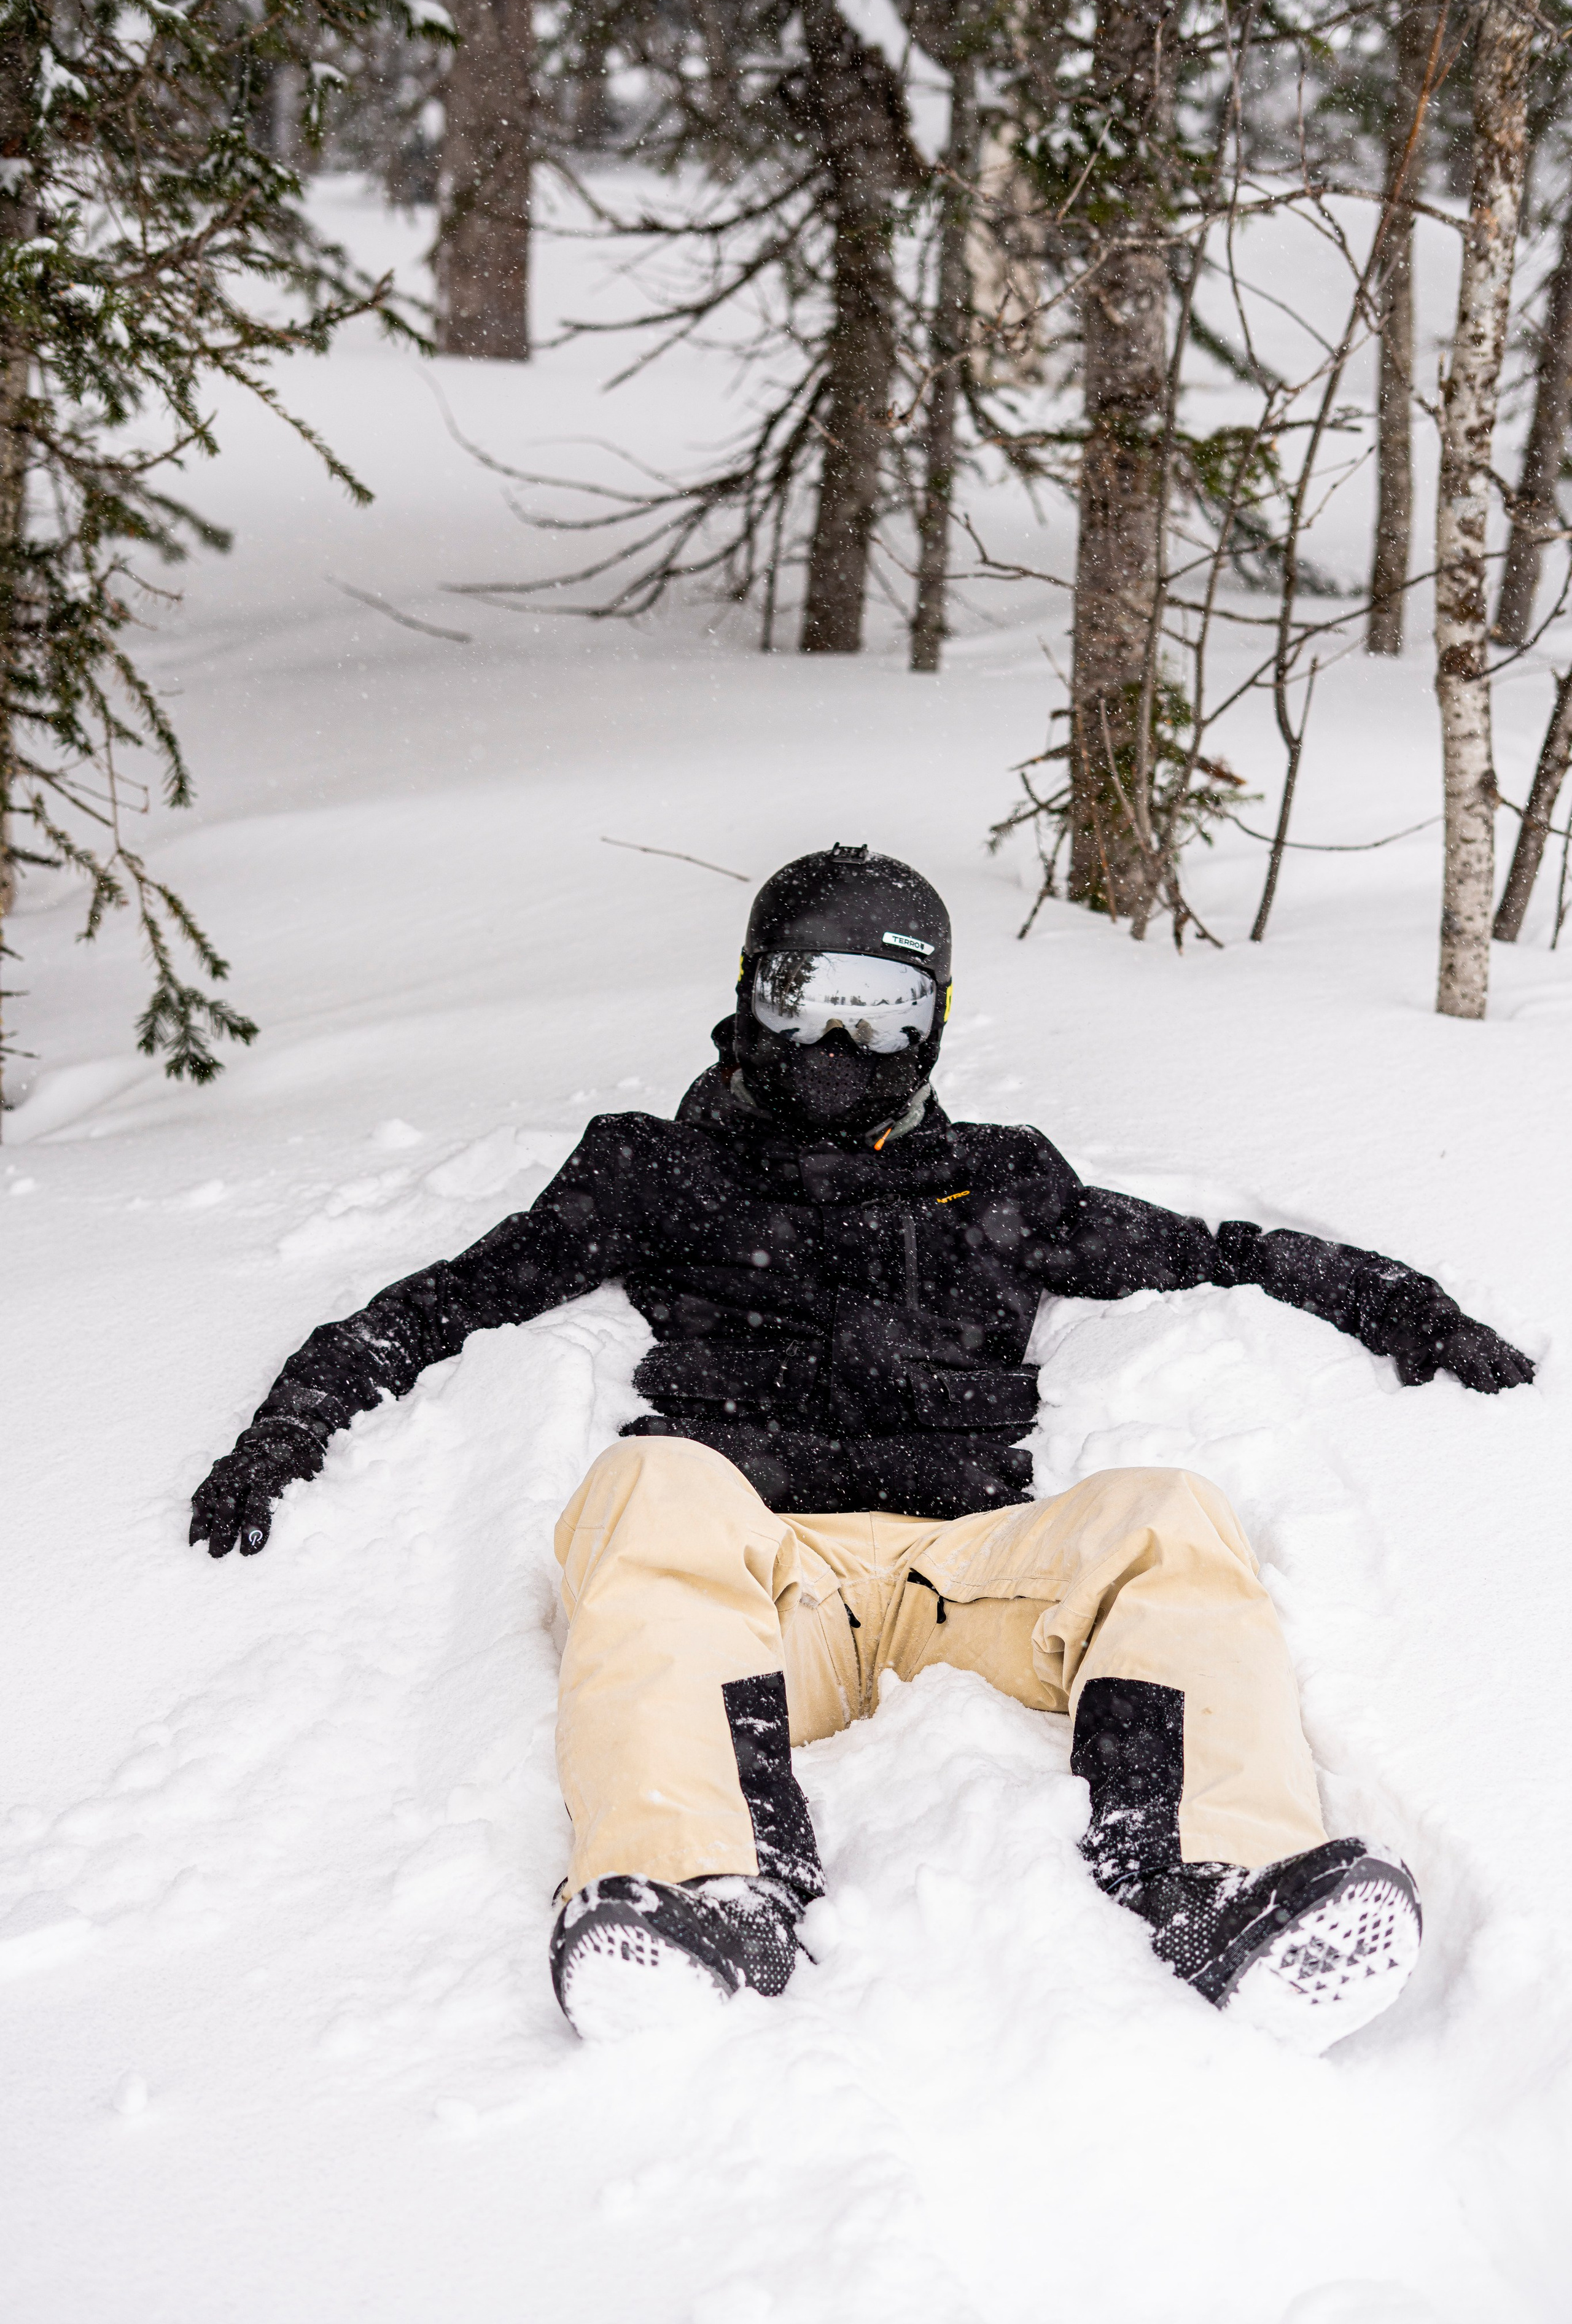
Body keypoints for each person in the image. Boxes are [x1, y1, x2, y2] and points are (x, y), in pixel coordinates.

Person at [189, 845, 1533, 2050]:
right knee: (642, 1490)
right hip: (760, 1593)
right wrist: (299, 1417)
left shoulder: (995, 1181)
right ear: (751, 997)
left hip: (972, 1580)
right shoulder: (657, 1172)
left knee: (1164, 1515)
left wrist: (1395, 1304)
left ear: (932, 1022)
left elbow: (1211, 1252)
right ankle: (705, 1887)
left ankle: (1218, 1877)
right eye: (807, 998)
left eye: (881, 1007)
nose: (840, 1037)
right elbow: (450, 1298)